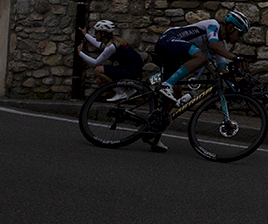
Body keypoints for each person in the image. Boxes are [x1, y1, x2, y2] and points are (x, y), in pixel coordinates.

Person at [144, 11, 250, 153]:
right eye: (240, 34)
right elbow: (213, 45)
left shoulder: (221, 44)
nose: (240, 39)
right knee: (202, 58)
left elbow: (222, 70)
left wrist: (240, 80)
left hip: (174, 55)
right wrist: (235, 57)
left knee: (174, 94)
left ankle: (154, 135)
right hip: (169, 40)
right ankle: (165, 85)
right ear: (231, 28)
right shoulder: (214, 25)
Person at [77, 19, 144, 99]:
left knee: (98, 70)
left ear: (103, 33)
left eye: (96, 32)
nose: (95, 34)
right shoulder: (113, 41)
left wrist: (79, 53)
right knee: (100, 80)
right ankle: (125, 92)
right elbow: (98, 44)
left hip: (132, 72)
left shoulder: (111, 46)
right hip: (130, 69)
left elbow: (95, 63)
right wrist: (85, 34)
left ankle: (121, 93)